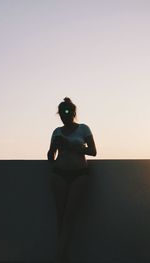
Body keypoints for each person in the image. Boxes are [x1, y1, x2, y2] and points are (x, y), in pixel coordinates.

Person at [47, 97, 97, 263]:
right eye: (61, 113)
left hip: (79, 174)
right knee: (60, 216)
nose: (64, 115)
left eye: (67, 112)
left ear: (73, 112)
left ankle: (58, 257)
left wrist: (69, 145)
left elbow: (92, 151)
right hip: (59, 173)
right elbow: (50, 157)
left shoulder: (83, 129)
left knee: (69, 215)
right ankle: (64, 256)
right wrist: (54, 146)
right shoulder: (56, 131)